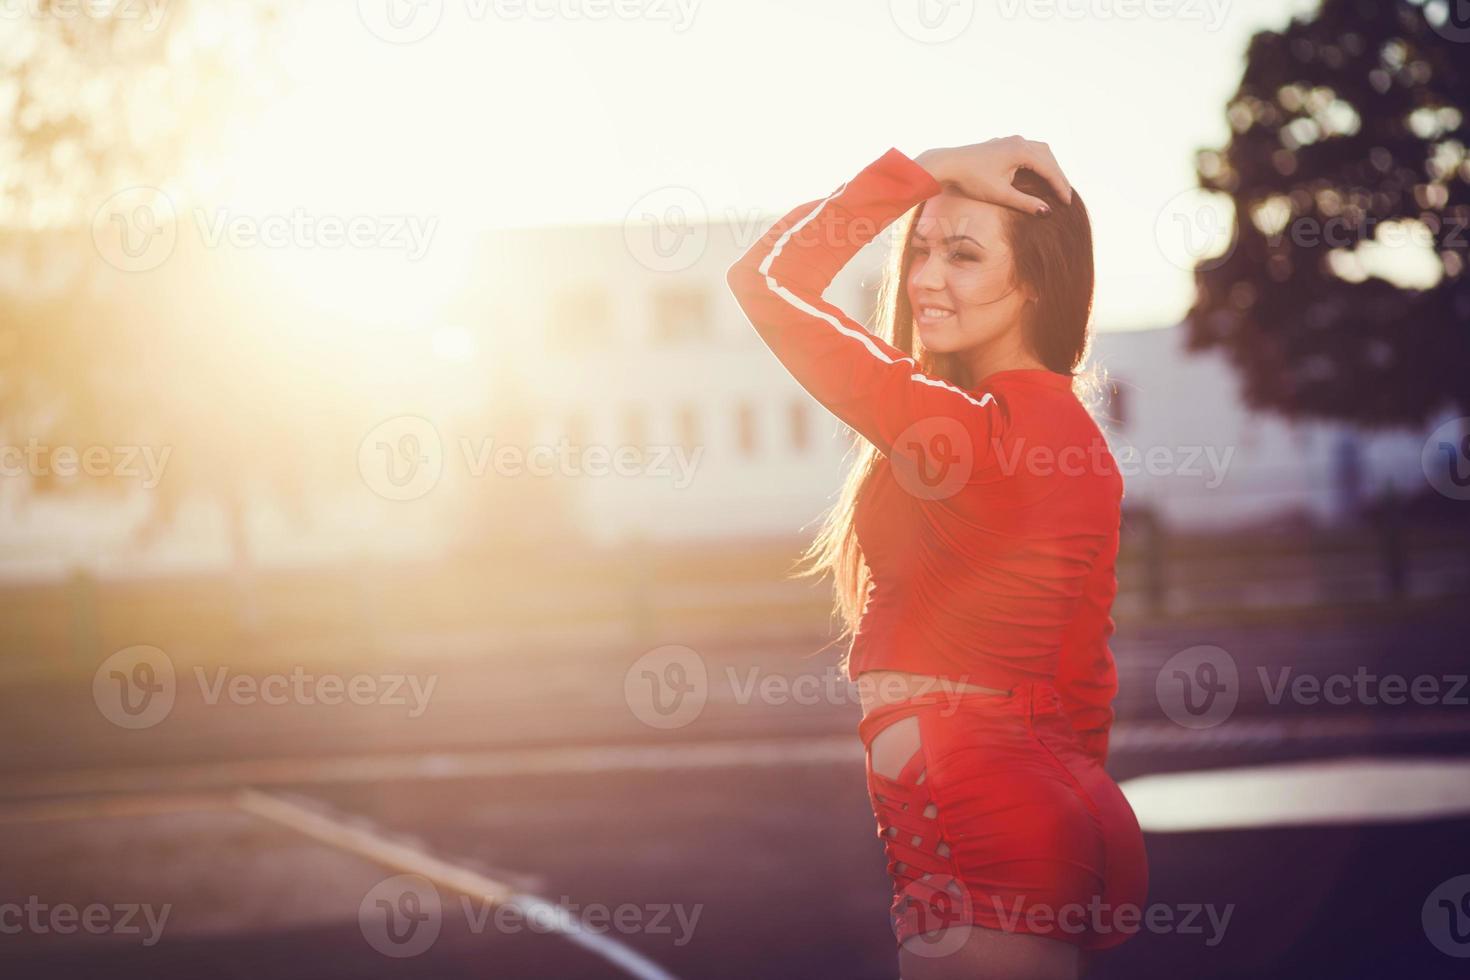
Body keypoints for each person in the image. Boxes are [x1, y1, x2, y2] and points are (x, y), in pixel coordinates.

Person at [724, 138, 1148, 979]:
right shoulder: (1070, 441)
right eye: (920, 248)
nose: (924, 279)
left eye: (963, 254)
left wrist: (926, 165)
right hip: (997, 818)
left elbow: (765, 283)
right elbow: (1081, 677)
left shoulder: (971, 436)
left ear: (1036, 281)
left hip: (979, 823)